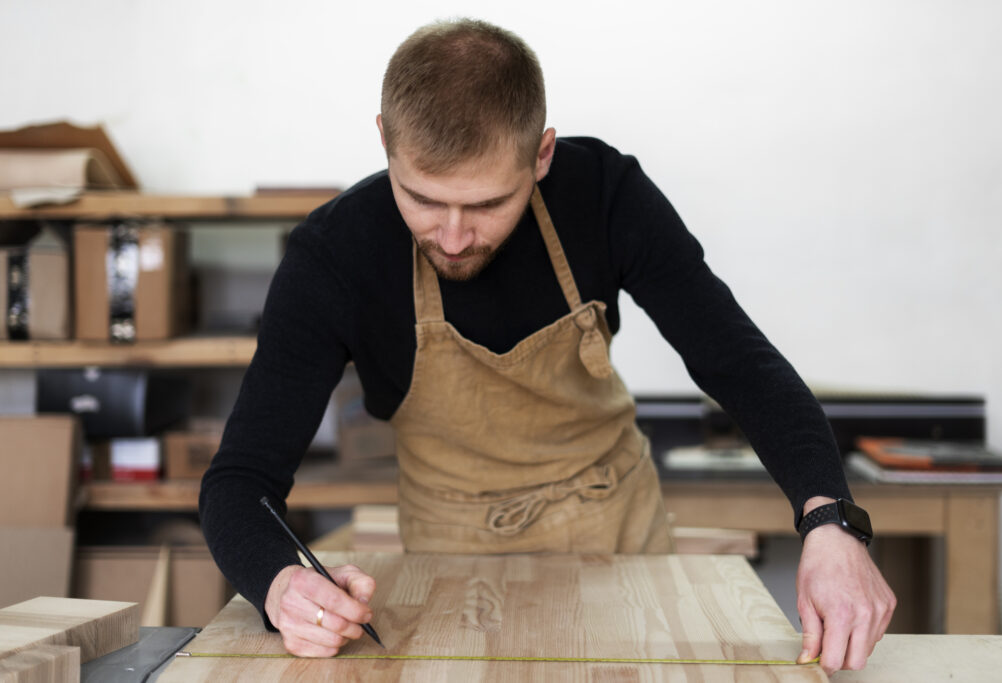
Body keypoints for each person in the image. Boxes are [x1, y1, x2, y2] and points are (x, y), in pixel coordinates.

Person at [199, 18, 895, 675]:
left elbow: (739, 364)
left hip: (621, 542)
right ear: (385, 139)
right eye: (422, 198)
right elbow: (240, 481)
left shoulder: (605, 198)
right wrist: (280, 582)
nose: (451, 235)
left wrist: (830, 520)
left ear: (542, 154)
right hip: (452, 562)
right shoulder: (335, 257)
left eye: (486, 205)